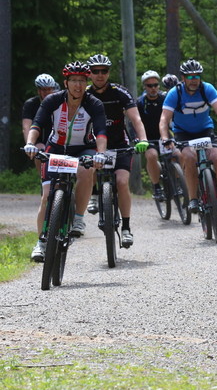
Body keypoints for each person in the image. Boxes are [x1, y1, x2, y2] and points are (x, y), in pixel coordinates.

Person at [23, 61, 108, 261]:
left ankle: (78, 218)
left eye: (82, 80)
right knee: (46, 196)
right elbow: (37, 124)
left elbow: (101, 132)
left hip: (84, 147)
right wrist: (30, 143)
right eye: (73, 80)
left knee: (86, 170)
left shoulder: (94, 103)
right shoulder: (53, 100)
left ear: (86, 83)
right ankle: (41, 243)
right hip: (56, 148)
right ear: (66, 82)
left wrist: (101, 154)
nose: (78, 85)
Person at [85, 54, 149, 248]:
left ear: (108, 73)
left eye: (103, 71)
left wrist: (143, 139)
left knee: (121, 182)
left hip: (120, 144)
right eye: (95, 71)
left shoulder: (119, 92)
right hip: (94, 144)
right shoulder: (85, 94)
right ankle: (95, 195)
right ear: (89, 74)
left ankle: (127, 228)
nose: (99, 75)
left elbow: (135, 119)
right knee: (89, 167)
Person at [159, 59, 217, 215]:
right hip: (183, 132)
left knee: (215, 157)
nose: (193, 80)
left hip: (205, 130)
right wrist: (165, 138)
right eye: (189, 77)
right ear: (183, 78)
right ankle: (193, 198)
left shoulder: (207, 89)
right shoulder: (175, 93)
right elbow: (164, 119)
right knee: (189, 157)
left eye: (196, 76)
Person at [137, 70, 176, 201]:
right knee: (152, 156)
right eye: (149, 86)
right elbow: (134, 122)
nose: (153, 88)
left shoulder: (165, 99)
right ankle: (156, 186)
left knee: (178, 155)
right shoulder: (140, 103)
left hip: (165, 136)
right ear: (144, 87)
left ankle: (178, 181)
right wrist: (136, 137)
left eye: (155, 85)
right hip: (148, 138)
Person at [21, 74, 60, 170]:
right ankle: (43, 181)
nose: (47, 92)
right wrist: (30, 144)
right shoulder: (31, 104)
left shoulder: (59, 102)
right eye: (43, 89)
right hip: (40, 141)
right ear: (38, 90)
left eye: (49, 89)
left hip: (58, 140)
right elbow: (26, 127)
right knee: (40, 154)